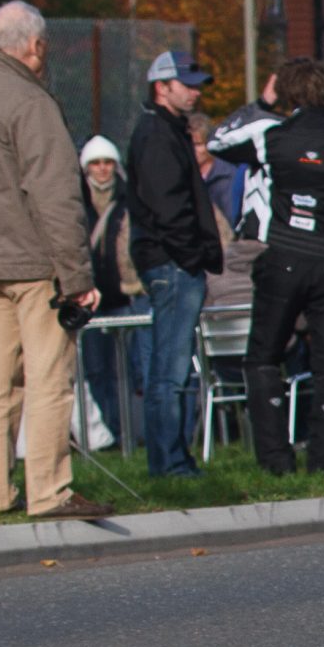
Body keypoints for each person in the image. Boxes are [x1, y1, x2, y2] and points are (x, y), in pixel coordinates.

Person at [0, 0, 110, 518]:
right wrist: (76, 275)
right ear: (35, 45)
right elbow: (56, 196)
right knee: (50, 377)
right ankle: (49, 491)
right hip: (34, 262)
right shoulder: (31, 102)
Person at [208, 56, 324, 473]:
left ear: (287, 93)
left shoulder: (268, 132)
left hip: (281, 258)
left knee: (263, 357)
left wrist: (262, 100)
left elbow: (216, 140)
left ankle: (276, 461)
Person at [124, 47, 222, 477]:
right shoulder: (157, 134)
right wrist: (190, 257)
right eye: (187, 85)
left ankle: (170, 461)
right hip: (171, 263)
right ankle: (170, 464)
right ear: (162, 87)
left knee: (171, 369)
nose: (195, 94)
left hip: (171, 260)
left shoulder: (165, 130)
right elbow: (169, 207)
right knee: (170, 370)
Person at [78, 136, 147, 443]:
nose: (102, 169)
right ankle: (110, 431)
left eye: (107, 163)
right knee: (96, 369)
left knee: (128, 370)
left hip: (124, 296)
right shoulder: (77, 202)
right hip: (88, 297)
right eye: (95, 163)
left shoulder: (128, 199)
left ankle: (131, 431)